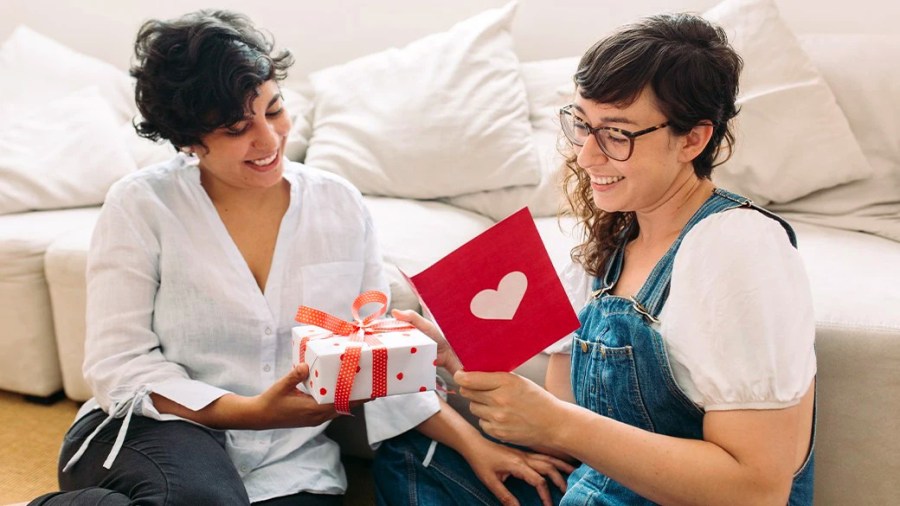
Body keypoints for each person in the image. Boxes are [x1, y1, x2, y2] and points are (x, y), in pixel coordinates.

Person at [29, 9, 571, 506]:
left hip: (293, 464)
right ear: (189, 140)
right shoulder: (141, 206)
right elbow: (119, 366)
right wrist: (248, 412)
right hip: (155, 431)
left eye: (274, 109)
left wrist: (476, 446)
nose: (268, 139)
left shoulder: (338, 204)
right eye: (236, 129)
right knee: (205, 502)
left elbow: (376, 355)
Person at [380, 12, 816, 506]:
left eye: (617, 134)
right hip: (595, 491)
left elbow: (757, 490)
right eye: (583, 124)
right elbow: (563, 417)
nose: (587, 156)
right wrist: (459, 361)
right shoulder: (611, 242)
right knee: (414, 452)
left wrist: (558, 424)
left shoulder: (738, 250)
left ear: (693, 139)